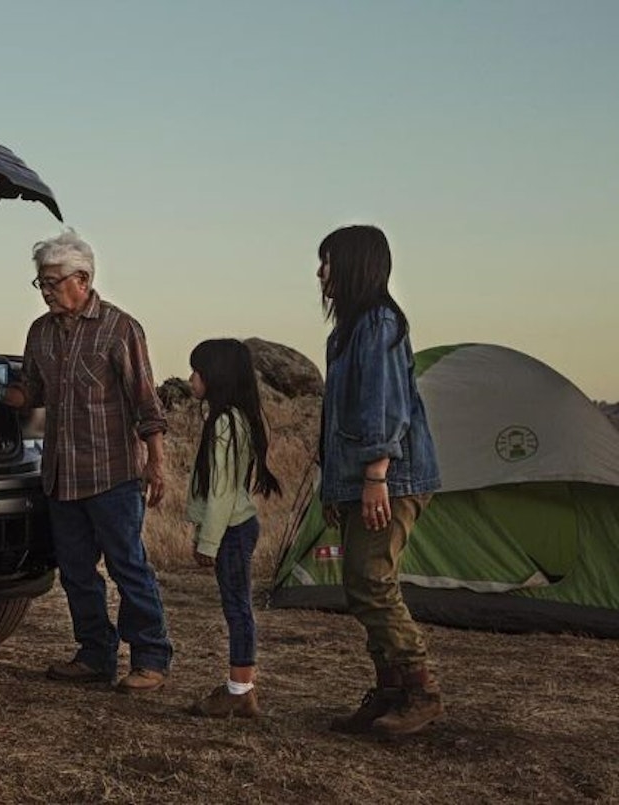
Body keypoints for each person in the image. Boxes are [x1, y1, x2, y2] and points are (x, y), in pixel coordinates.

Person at [2, 229, 174, 693]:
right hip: (61, 474)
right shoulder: (39, 332)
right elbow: (32, 390)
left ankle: (151, 658)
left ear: (83, 278)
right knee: (76, 572)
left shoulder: (121, 328)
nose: (46, 291)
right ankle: (95, 655)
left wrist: (155, 465)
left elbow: (146, 402)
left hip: (113, 472)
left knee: (127, 567)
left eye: (52, 282)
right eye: (40, 283)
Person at [315, 224, 444, 736]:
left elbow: (384, 404)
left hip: (392, 474)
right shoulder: (346, 332)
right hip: (360, 476)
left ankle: (421, 690)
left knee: (373, 580)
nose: (320, 272)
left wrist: (374, 476)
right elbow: (336, 416)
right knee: (358, 583)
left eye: (327, 261)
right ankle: (390, 691)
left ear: (353, 265)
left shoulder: (379, 323)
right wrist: (335, 487)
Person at [180, 339, 283, 718]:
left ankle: (240, 689)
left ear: (216, 376)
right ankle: (241, 687)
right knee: (236, 606)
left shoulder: (225, 423)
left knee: (238, 608)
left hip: (232, 529)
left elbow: (221, 491)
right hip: (236, 526)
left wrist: (208, 541)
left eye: (197, 371)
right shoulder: (235, 418)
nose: (191, 378)